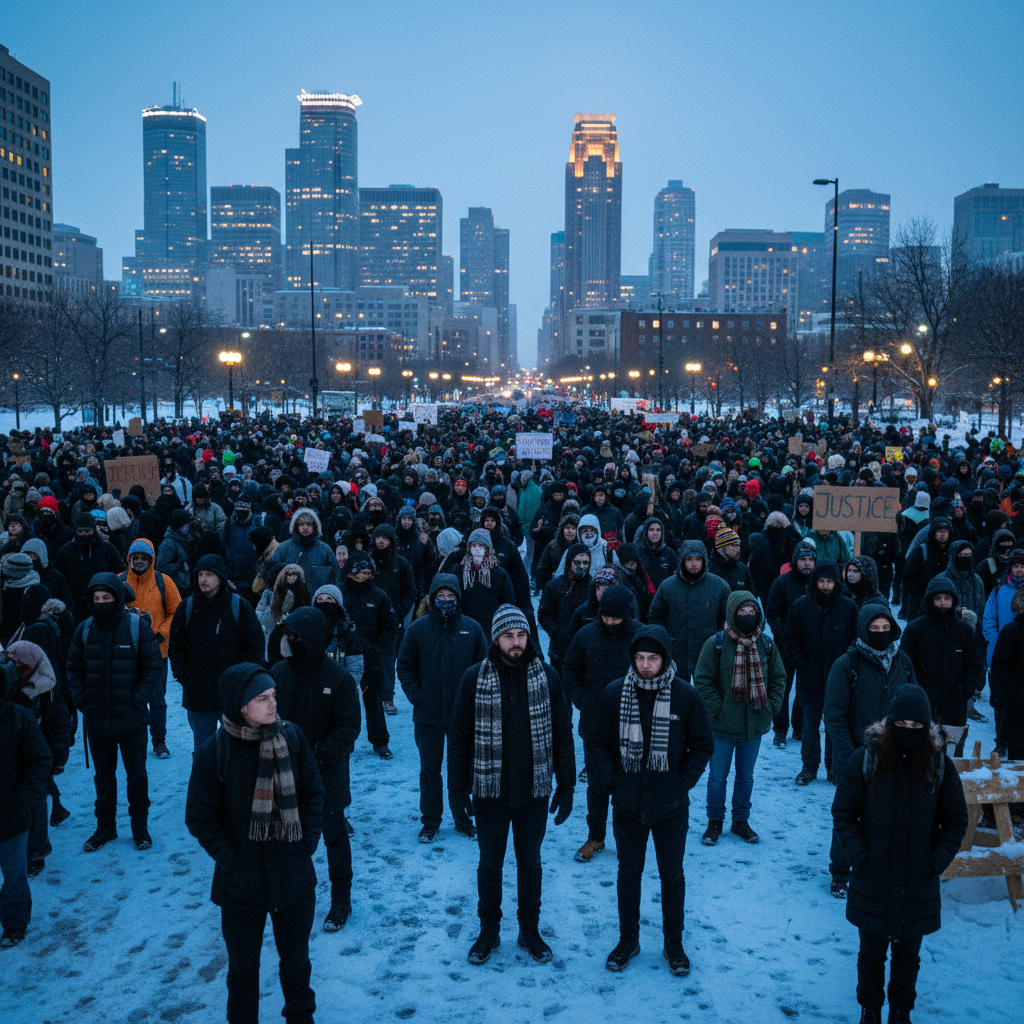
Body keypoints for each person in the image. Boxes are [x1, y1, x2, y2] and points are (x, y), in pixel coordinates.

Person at [185, 663, 324, 1024]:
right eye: (262, 699)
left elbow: (313, 793)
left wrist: (305, 844)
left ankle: (301, 1018)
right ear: (240, 705)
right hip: (240, 886)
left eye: (273, 696)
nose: (272, 704)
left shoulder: (292, 738)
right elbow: (199, 816)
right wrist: (232, 858)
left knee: (296, 963)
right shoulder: (214, 752)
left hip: (292, 877)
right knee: (243, 970)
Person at [447, 604, 576, 966]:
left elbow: (563, 736)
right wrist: (456, 791)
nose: (516, 642)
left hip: (533, 789)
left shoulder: (547, 677)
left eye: (521, 635)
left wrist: (566, 786)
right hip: (489, 790)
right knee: (490, 863)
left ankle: (529, 931)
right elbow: (458, 737)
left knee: (530, 863)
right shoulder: (475, 677)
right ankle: (488, 931)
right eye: (508, 636)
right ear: (496, 639)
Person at [832, 684, 968, 1024]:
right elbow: (844, 814)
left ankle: (900, 1012)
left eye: (916, 726)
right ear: (890, 722)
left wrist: (935, 862)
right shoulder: (866, 759)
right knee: (871, 954)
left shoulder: (939, 766)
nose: (909, 731)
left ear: (927, 727)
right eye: (902, 724)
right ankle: (870, 1009)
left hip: (917, 881)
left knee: (909, 957)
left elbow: (956, 821)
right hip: (872, 877)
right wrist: (860, 856)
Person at [590, 625, 714, 976]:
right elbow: (597, 741)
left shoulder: (685, 695)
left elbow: (703, 744)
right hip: (628, 804)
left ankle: (673, 943)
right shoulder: (615, 694)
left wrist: (680, 783)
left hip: (670, 806)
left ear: (665, 659)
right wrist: (613, 782)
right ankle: (628, 940)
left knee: (671, 876)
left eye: (653, 658)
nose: (646, 664)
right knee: (629, 873)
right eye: (640, 658)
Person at [272, 607, 361, 932]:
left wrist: (318, 756)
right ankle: (295, 893)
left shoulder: (337, 677)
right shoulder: (279, 673)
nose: (290, 641)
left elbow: (350, 725)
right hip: (286, 773)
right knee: (289, 838)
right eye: (287, 635)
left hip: (327, 775)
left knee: (334, 836)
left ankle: (341, 899)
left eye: (296, 636)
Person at [824, 607, 918, 899]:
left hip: (893, 755)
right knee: (849, 814)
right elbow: (834, 714)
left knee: (885, 816)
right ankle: (840, 872)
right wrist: (850, 754)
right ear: (864, 630)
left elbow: (914, 703)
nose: (880, 633)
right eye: (874, 628)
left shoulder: (902, 662)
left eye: (885, 627)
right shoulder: (847, 664)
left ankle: (877, 869)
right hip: (853, 755)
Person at [67, 573, 165, 852]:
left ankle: (140, 828)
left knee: (137, 776)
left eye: (107, 598)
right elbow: (73, 667)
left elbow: (152, 667)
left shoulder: (136, 628)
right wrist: (81, 698)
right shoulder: (84, 629)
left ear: (117, 598)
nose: (101, 603)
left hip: (131, 719)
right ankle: (105, 827)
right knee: (103, 777)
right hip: (97, 720)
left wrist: (137, 699)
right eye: (96, 599)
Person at [397, 573, 488, 841]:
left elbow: (484, 667)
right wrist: (418, 696)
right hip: (428, 716)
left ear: (458, 598)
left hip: (463, 715)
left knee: (460, 768)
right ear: (432, 597)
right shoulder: (418, 629)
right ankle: (431, 820)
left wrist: (474, 701)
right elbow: (404, 666)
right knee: (430, 770)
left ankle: (462, 818)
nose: (446, 601)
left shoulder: (472, 628)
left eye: (451, 596)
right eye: (441, 596)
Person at [693, 592, 786, 846]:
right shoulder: (717, 643)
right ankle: (714, 821)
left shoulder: (766, 644)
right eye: (742, 611)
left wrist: (771, 706)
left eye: (751, 611)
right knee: (717, 777)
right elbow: (702, 679)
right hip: (722, 726)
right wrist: (718, 709)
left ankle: (741, 821)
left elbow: (778, 678)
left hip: (754, 725)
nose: (747, 616)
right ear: (733, 612)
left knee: (746, 777)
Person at [561, 584, 640, 862]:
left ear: (627, 615)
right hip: (595, 724)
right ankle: (595, 837)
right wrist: (582, 699)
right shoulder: (586, 635)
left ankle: (627, 837)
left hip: (632, 726)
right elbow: (569, 669)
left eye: (616, 617)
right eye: (605, 616)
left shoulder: (640, 637)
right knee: (597, 785)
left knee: (628, 785)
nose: (609, 622)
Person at [167, 554, 266, 753]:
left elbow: (254, 647)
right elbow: (176, 647)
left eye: (209, 574)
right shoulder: (187, 607)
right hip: (198, 695)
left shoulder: (239, 606)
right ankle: (205, 785)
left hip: (232, 695)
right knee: (204, 752)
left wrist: (242, 682)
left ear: (220, 577)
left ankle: (233, 785)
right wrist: (185, 676)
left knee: (238, 750)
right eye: (200, 574)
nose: (203, 579)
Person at [783, 559, 859, 785]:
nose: (825, 586)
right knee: (810, 727)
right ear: (814, 582)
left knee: (835, 727)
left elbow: (856, 640)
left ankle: (833, 768)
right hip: (810, 678)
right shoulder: (801, 606)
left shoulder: (848, 607)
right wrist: (802, 663)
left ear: (837, 583)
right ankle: (809, 767)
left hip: (839, 680)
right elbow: (790, 639)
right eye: (821, 581)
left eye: (830, 582)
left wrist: (848, 666)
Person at [0, 656, 52, 948]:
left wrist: (20, 801)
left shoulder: (20, 718)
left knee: (15, 876)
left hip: (11, 816)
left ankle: (15, 924)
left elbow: (40, 760)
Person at [899, 578, 984, 756]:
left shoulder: (964, 630)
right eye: (938, 598)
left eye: (947, 598)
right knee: (920, 753)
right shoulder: (915, 628)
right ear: (930, 600)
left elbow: (974, 663)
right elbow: (904, 664)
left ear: (954, 601)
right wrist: (917, 691)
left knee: (952, 757)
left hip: (955, 704)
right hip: (922, 704)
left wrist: (964, 691)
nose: (943, 603)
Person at [120, 539, 182, 759]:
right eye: (134, 557)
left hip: (156, 651)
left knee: (157, 700)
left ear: (151, 559)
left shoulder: (164, 581)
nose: (138, 562)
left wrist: (160, 633)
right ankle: (132, 739)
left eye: (143, 558)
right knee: (128, 699)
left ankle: (159, 741)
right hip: (125, 652)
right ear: (129, 559)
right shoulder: (118, 581)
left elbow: (176, 612)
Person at [340, 550, 400, 759]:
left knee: (374, 701)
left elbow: (390, 626)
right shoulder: (339, 593)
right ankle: (346, 741)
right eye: (358, 573)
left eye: (366, 573)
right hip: (344, 658)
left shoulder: (379, 595)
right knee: (345, 703)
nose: (362, 577)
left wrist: (379, 648)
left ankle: (380, 742)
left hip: (371, 659)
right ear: (349, 573)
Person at [647, 539, 730, 682]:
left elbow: (727, 618)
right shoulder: (668, 586)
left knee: (707, 695)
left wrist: (719, 640)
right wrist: (665, 640)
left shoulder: (719, 586)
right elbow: (655, 616)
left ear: (704, 560)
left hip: (709, 652)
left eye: (698, 559)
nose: (693, 564)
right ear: (682, 560)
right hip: (676, 653)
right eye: (689, 559)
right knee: (677, 697)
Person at [766, 538, 817, 746]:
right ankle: (780, 729)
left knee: (805, 688)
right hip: (785, 645)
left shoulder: (819, 583)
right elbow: (773, 612)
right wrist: (783, 634)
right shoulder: (782, 582)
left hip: (810, 645)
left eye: (810, 560)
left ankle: (799, 727)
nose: (806, 564)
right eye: (803, 559)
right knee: (782, 688)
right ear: (795, 560)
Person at [369, 524, 416, 716]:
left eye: (385, 538)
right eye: (378, 537)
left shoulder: (401, 563)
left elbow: (410, 593)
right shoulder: (367, 561)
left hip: (391, 621)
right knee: (367, 660)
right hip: (369, 619)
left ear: (391, 540)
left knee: (388, 661)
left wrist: (397, 613)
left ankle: (387, 697)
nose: (381, 541)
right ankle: (369, 696)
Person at [53, 515, 126, 622]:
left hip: (103, 602)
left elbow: (120, 572)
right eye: (81, 531)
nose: (84, 534)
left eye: (88, 531)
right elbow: (58, 576)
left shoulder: (107, 549)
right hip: (74, 603)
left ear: (94, 530)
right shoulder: (65, 550)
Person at [538, 542, 592, 676]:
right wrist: (556, 632)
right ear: (569, 562)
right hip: (560, 649)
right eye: (578, 562)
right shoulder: (554, 585)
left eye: (586, 563)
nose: (582, 566)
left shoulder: (593, 586)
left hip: (586, 648)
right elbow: (544, 614)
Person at [272, 508, 342, 593]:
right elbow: (272, 573)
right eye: (301, 524)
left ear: (314, 526)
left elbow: (336, 574)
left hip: (318, 599)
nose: (305, 528)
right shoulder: (283, 548)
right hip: (290, 600)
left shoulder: (325, 549)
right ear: (296, 526)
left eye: (309, 524)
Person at [707, 527, 755, 593]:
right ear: (722, 547)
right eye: (734, 545)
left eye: (739, 546)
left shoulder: (742, 569)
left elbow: (751, 597)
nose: (738, 549)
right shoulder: (708, 569)